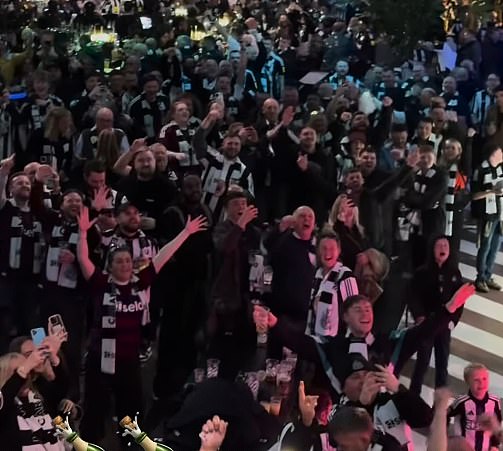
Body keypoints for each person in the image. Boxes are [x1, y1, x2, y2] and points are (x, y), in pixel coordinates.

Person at [76, 205, 206, 444]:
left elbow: (163, 255)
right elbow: (83, 259)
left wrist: (186, 233)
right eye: (119, 262)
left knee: (132, 412)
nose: (125, 265)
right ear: (110, 265)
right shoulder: (101, 282)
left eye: (128, 261)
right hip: (100, 359)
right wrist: (83, 233)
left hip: (129, 360)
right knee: (94, 412)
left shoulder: (141, 281)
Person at [254, 289, 473, 395]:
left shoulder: (391, 343)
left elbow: (423, 332)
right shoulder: (333, 346)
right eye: (357, 309)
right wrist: (274, 323)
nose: (365, 312)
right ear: (345, 317)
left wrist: (449, 308)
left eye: (368, 309)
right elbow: (300, 342)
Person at [408, 236, 464, 395]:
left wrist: (453, 321)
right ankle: (413, 398)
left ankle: (440, 406)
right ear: (432, 250)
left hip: (444, 325)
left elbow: (459, 300)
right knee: (422, 363)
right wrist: (419, 316)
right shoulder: (422, 272)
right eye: (439, 245)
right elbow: (413, 296)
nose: (442, 248)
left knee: (442, 364)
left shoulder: (454, 273)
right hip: (427, 323)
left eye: (445, 245)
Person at [0, 156, 45, 353]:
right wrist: (4, 173)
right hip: (7, 279)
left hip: (33, 281)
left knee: (35, 325)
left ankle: (43, 360)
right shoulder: (6, 208)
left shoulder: (39, 212)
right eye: (19, 183)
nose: (25, 185)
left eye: (27, 182)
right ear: (10, 189)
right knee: (4, 324)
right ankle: (4, 366)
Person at [193, 104, 254, 219]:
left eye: (236, 144)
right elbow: (197, 142)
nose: (233, 147)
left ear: (241, 147)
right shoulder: (211, 159)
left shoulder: (243, 170)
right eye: (229, 144)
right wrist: (209, 119)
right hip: (204, 213)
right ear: (223, 144)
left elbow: (250, 195)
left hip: (227, 220)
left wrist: (239, 190)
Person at [305, 230, 359, 341]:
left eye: (331, 248)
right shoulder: (318, 274)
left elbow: (354, 312)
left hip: (337, 343)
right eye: (324, 248)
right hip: (315, 339)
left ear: (338, 250)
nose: (327, 252)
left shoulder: (345, 275)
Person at [448, 363, 502, 451]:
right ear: (468, 382)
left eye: (484, 379)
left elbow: (497, 425)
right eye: (476, 380)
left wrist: (495, 445)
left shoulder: (495, 402)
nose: (481, 383)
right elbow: (444, 414)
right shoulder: (461, 401)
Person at [471, 144, 503, 293]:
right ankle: (480, 277)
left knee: (495, 246)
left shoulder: (500, 168)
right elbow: (474, 195)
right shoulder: (481, 170)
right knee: (485, 246)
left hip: (500, 213)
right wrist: (491, 191)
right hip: (487, 213)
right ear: (492, 154)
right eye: (499, 152)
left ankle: (488, 275)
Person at [328, 194, 368, 270]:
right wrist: (341, 219)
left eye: (350, 204)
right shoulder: (334, 231)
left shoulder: (359, 231)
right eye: (344, 206)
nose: (348, 208)